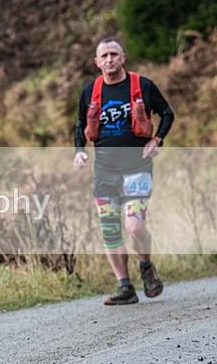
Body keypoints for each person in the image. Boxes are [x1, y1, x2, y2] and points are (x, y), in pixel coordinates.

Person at [74, 37, 174, 305]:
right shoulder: (90, 91)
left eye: (114, 54)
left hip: (137, 169)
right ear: (97, 62)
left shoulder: (142, 85)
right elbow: (79, 124)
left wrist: (157, 139)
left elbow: (167, 113)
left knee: (134, 226)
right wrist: (79, 150)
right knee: (110, 230)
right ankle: (125, 286)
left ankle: (145, 265)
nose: (109, 59)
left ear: (123, 57)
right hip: (104, 173)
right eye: (104, 55)